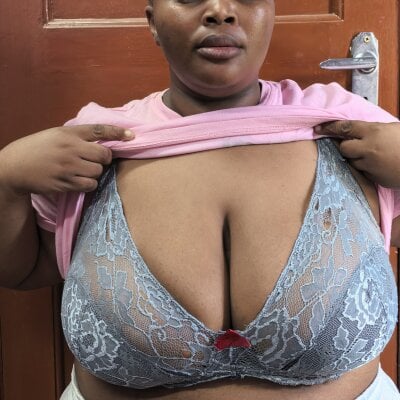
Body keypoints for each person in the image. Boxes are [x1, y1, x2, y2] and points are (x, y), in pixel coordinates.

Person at [0, 1, 400, 399]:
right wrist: (7, 179)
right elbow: (26, 270)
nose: (220, 11)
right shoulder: (93, 145)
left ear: (271, 13)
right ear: (153, 22)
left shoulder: (353, 129)